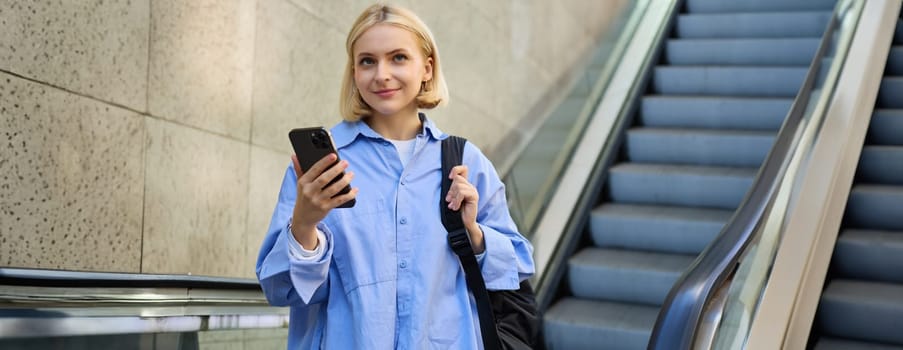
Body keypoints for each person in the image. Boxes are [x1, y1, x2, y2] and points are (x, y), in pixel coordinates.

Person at [255, 4, 535, 349]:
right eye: (367, 61)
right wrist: (304, 225)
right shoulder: (325, 164)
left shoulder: (466, 162)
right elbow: (280, 288)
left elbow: (517, 269)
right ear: (354, 72)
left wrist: (475, 234)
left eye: (398, 57)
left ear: (427, 68)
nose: (381, 74)